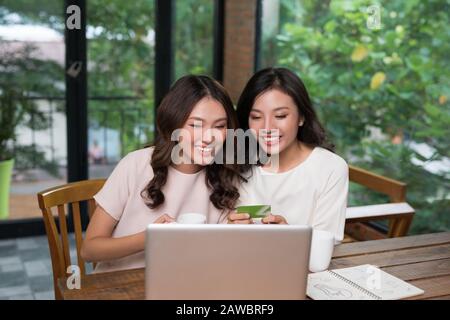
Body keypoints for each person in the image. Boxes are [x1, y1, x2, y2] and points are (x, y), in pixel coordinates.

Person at [81, 75, 244, 272]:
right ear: (174, 123)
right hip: (120, 285)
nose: (210, 137)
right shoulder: (136, 165)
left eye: (219, 126)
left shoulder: (226, 179)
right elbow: (89, 250)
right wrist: (149, 238)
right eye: (195, 125)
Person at [229, 67, 348, 243]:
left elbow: (325, 244)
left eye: (280, 115)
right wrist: (229, 229)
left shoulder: (330, 168)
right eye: (256, 117)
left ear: (301, 117)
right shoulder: (236, 165)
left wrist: (288, 238)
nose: (267, 128)